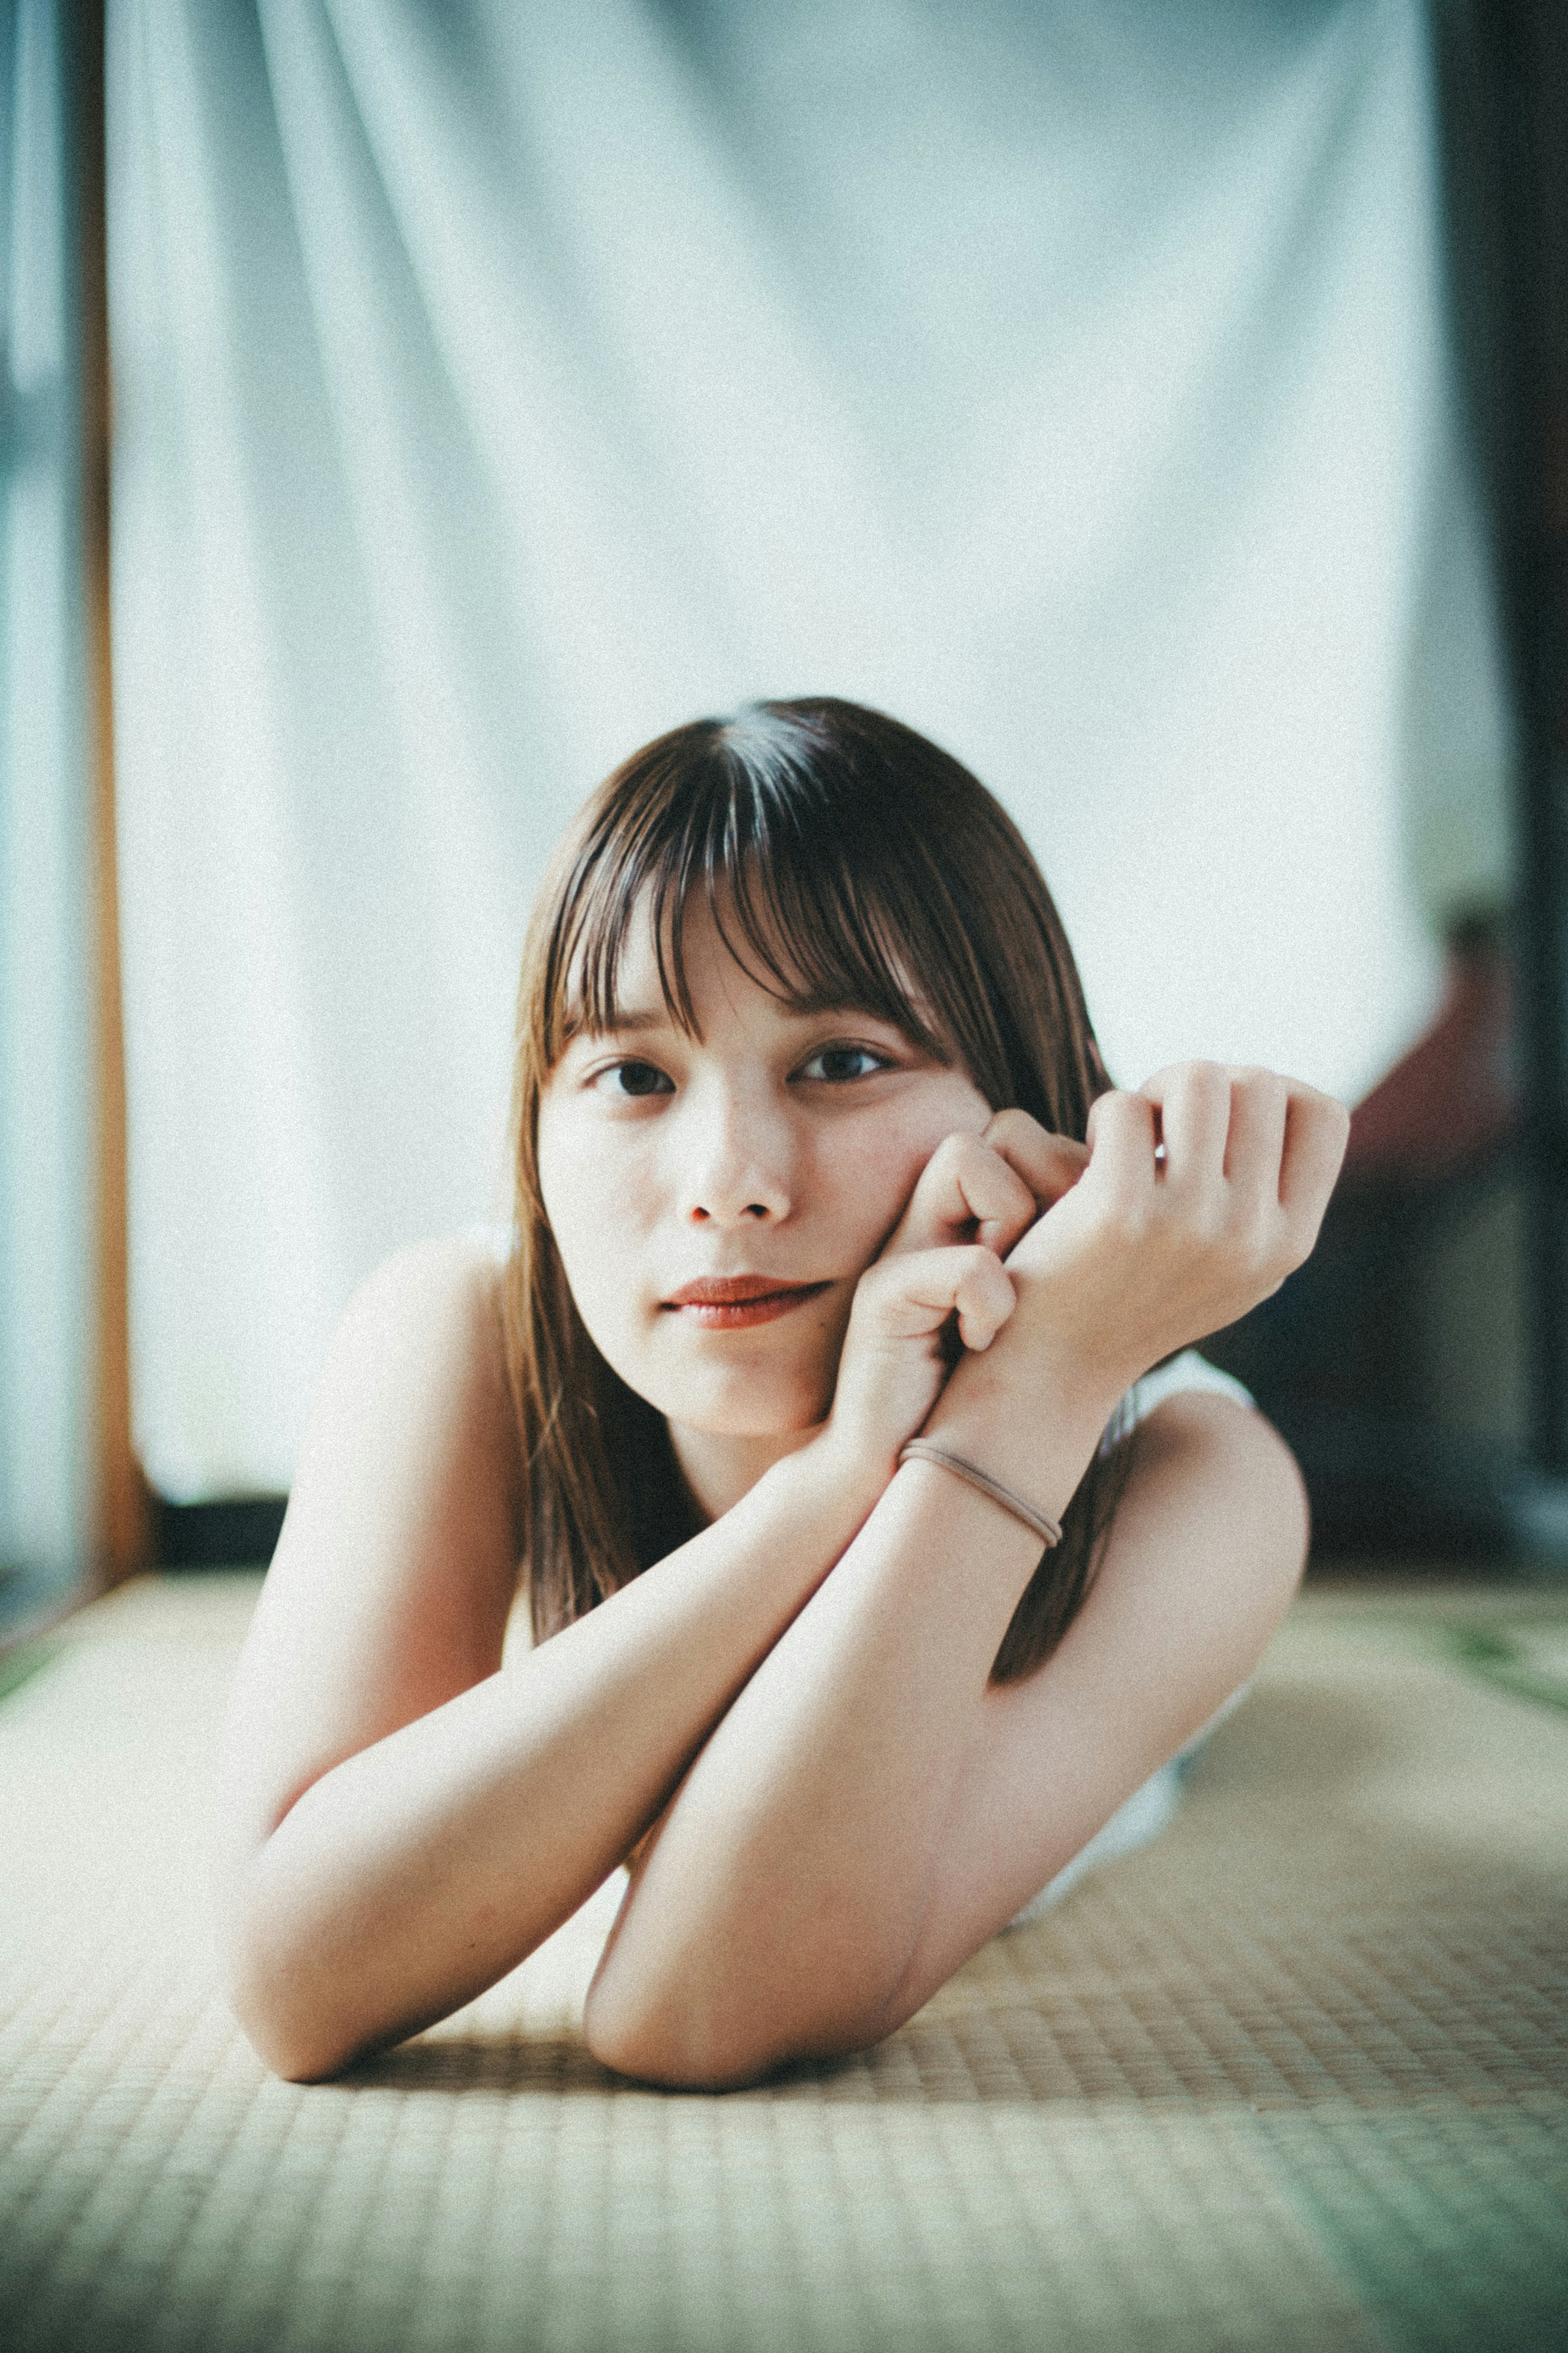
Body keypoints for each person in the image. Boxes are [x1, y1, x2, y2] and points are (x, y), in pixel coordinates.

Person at [216, 698, 1348, 2090]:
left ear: (1021, 1092)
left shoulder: (1194, 1473)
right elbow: (297, 1977)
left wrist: (1037, 1382)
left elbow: (695, 2007)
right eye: (634, 1075)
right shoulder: (461, 1319)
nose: (731, 1177)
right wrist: (838, 1476)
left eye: (843, 1062)